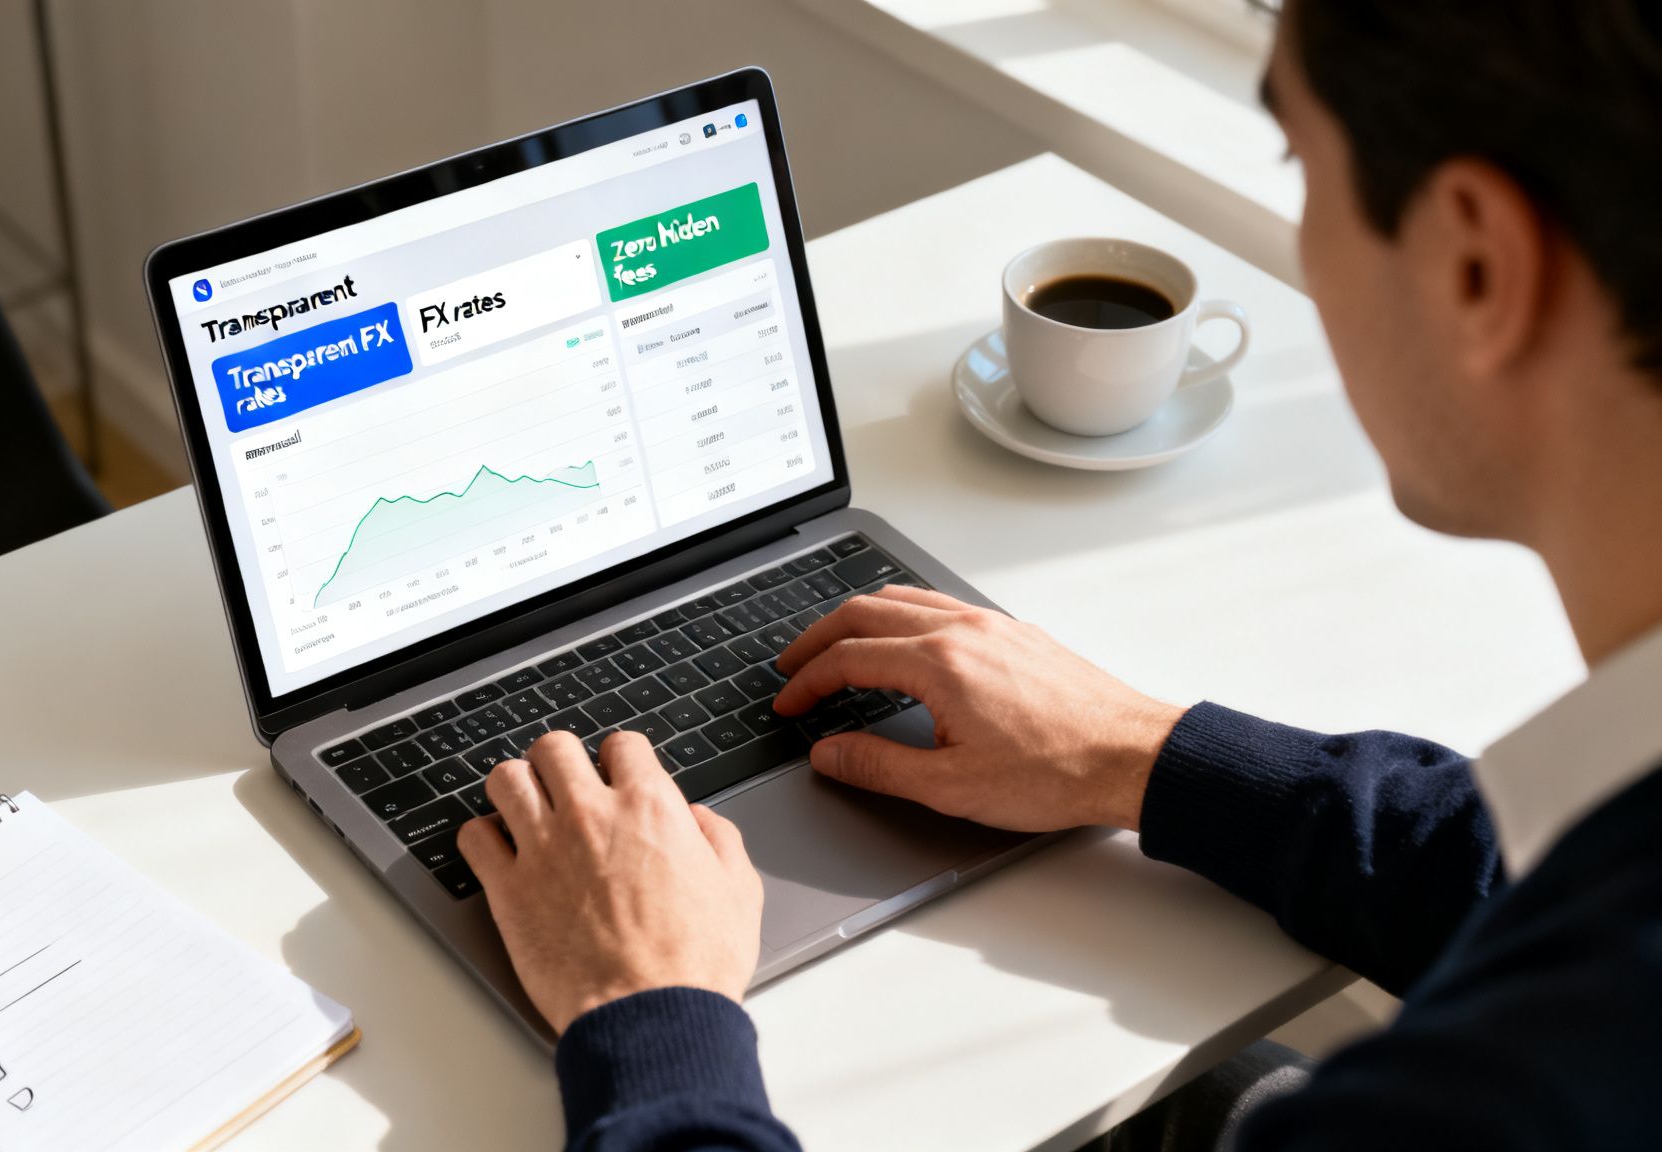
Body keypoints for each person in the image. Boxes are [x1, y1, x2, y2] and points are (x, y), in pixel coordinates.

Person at [455, 1, 1662, 1148]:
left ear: (1473, 265)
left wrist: (647, 1005)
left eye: (1300, 170)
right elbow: (1506, 877)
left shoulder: (1487, 1104)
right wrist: (1142, 754)